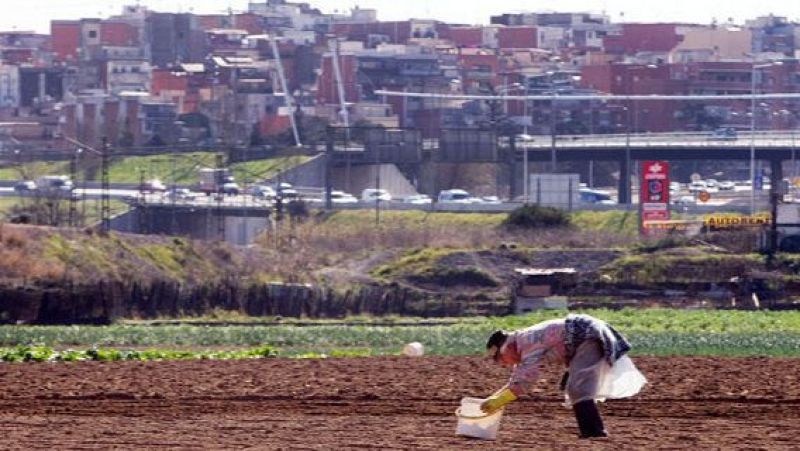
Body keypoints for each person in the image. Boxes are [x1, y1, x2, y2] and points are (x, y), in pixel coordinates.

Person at [480, 313, 646, 438]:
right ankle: (592, 431)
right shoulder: (521, 341)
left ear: (504, 349)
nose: (504, 363)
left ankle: (594, 432)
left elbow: (526, 381)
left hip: (587, 336)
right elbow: (517, 379)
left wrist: (499, 401)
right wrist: (492, 398)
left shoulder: (526, 343)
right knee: (576, 388)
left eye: (500, 359)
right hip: (584, 335)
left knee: (579, 390)